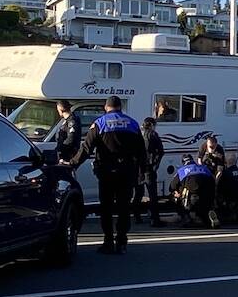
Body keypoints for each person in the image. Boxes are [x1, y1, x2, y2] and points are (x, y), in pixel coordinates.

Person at [68, 96, 145, 254]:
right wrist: (141, 172)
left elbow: (86, 148)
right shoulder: (133, 124)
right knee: (124, 208)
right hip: (126, 172)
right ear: (120, 107)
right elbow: (142, 153)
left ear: (106, 107)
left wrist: (72, 164)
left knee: (107, 208)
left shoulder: (100, 123)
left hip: (107, 172)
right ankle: (122, 242)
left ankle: (108, 241)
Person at [170, 155, 220, 228]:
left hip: (193, 198)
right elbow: (213, 182)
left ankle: (186, 217)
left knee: (174, 196)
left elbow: (172, 186)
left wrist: (177, 192)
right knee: (204, 210)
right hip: (208, 197)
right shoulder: (203, 168)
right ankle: (208, 215)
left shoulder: (182, 170)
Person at [135, 117, 165, 227]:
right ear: (152, 124)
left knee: (138, 193)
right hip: (149, 168)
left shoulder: (137, 133)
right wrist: (155, 165)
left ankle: (137, 216)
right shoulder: (152, 134)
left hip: (137, 168)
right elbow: (161, 151)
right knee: (152, 194)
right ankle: (154, 219)